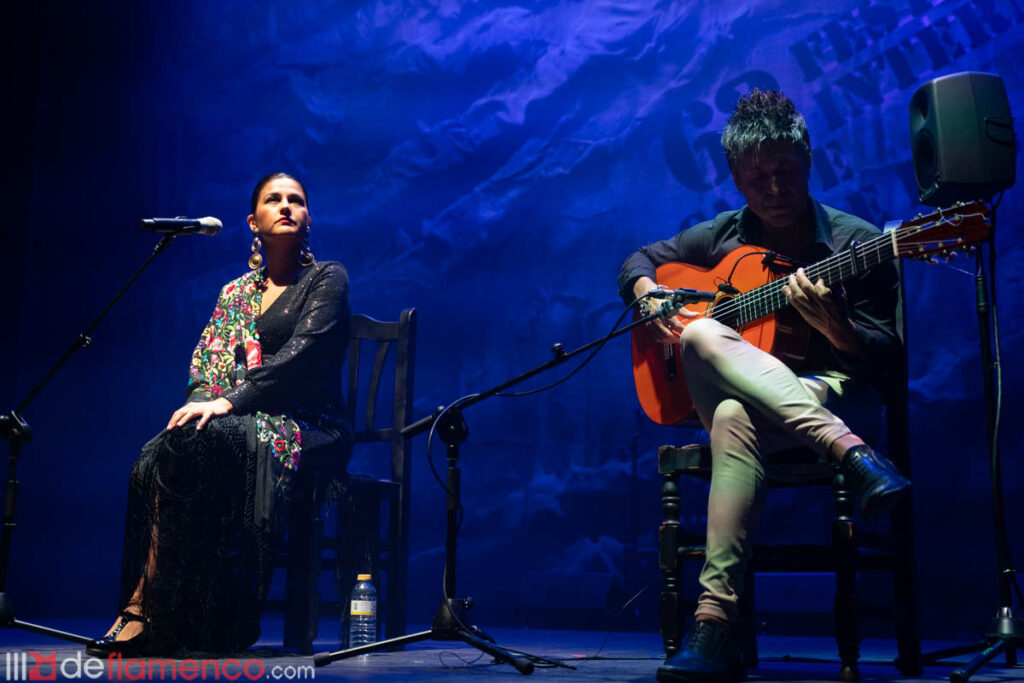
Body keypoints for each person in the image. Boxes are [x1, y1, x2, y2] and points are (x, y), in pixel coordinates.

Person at [617, 90, 911, 682]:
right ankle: (852, 458)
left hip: (838, 394)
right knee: (700, 338)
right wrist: (648, 294)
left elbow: (889, 361)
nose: (774, 188)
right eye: (758, 178)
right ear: (736, 178)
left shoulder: (857, 244)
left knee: (728, 411)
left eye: (785, 171)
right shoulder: (723, 235)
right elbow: (638, 260)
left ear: (808, 160)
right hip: (822, 427)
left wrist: (841, 330)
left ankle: (713, 626)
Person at [87, 173, 353, 657]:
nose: (287, 206)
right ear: (253, 221)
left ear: (309, 217)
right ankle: (168, 613)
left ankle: (175, 613)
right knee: (167, 449)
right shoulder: (234, 293)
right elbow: (206, 364)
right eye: (275, 200)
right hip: (243, 421)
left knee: (207, 439)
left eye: (297, 200)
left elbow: (303, 356)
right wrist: (206, 400)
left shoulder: (326, 278)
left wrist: (228, 401)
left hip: (311, 426)